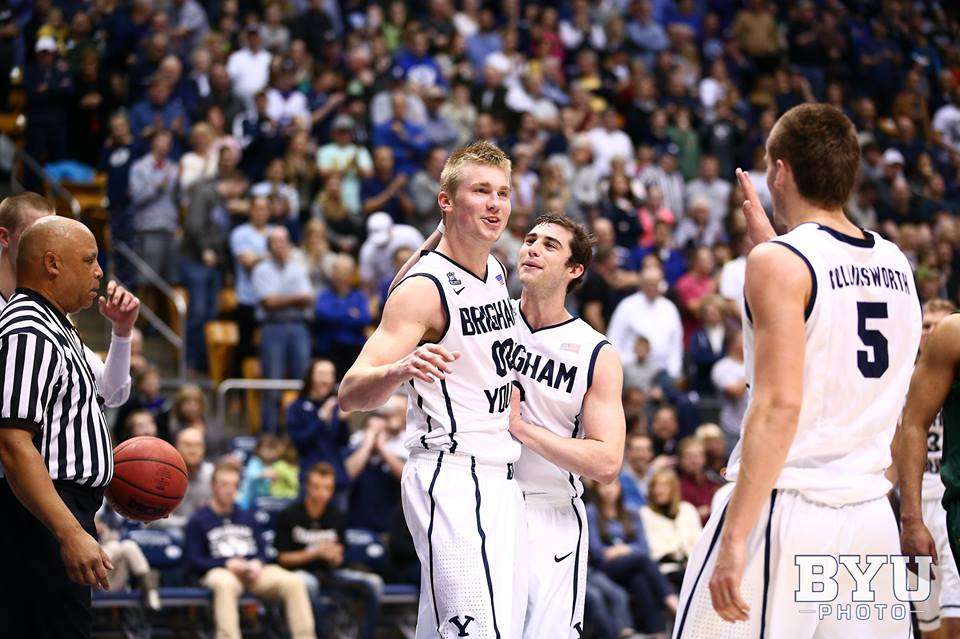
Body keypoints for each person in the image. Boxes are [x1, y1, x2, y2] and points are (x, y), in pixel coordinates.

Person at [675, 103, 921, 637]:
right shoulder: (898, 263)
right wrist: (777, 250)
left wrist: (736, 535)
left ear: (780, 171)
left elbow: (781, 405)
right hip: (868, 518)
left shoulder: (779, 264)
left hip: (787, 507)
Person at [391, 212, 627, 638]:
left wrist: (523, 429)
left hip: (548, 509)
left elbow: (607, 462)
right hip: (479, 496)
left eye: (550, 245)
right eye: (530, 239)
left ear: (575, 270)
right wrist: (447, 227)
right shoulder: (489, 314)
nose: (533, 248)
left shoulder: (596, 352)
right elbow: (403, 297)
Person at [338, 141, 527, 638]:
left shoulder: (496, 271)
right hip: (451, 473)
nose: (495, 204)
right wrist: (401, 367)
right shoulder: (424, 288)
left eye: (503, 193)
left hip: (501, 476)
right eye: (480, 191)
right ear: (446, 200)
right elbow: (349, 393)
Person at [0, 216, 119, 638]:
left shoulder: (58, 325)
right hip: (40, 518)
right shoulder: (30, 331)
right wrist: (68, 530)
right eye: (89, 260)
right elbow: (13, 443)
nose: (99, 272)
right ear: (52, 263)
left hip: (59, 511)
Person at [0, 193, 137, 410]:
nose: (49, 244)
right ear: (5, 238)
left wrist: (122, 332)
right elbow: (13, 434)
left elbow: (111, 393)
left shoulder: (54, 312)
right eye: (35, 233)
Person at [185, 462, 315, 639]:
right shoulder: (198, 519)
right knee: (225, 584)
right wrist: (226, 563)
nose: (229, 490)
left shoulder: (247, 515)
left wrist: (257, 562)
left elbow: (262, 551)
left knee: (294, 582)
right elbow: (193, 559)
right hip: (220, 571)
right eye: (224, 484)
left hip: (253, 572)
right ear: (213, 486)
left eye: (234, 485)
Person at [894, 298, 960, 639]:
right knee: (927, 622)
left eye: (937, 323)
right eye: (924, 324)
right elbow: (894, 444)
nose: (930, 330)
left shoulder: (950, 360)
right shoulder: (897, 376)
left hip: (947, 494)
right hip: (917, 503)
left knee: (954, 618)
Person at [274, 462, 384, 639]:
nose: (321, 493)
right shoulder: (290, 514)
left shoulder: (336, 515)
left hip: (330, 572)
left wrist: (335, 556)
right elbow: (282, 558)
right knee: (309, 584)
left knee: (374, 583)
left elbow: (341, 557)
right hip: (298, 574)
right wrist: (315, 552)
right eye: (316, 487)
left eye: (327, 488)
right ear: (307, 487)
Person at [588, 477, 679, 637]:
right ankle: (672, 601)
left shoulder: (630, 512)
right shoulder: (591, 512)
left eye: (613, 485)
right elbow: (597, 552)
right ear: (596, 489)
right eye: (603, 486)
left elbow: (643, 547)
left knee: (640, 579)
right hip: (605, 569)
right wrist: (625, 550)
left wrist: (623, 549)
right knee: (642, 562)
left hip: (631, 567)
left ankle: (658, 633)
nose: (609, 490)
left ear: (620, 488)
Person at [252, 226, 314, 432]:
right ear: (269, 246)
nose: (281, 245)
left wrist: (284, 299)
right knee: (273, 383)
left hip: (298, 326)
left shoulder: (297, 267)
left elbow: (308, 299)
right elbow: (269, 302)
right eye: (276, 241)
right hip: (273, 327)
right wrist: (295, 298)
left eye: (284, 241)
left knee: (303, 380)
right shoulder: (261, 269)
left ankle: (302, 427)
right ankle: (269, 433)